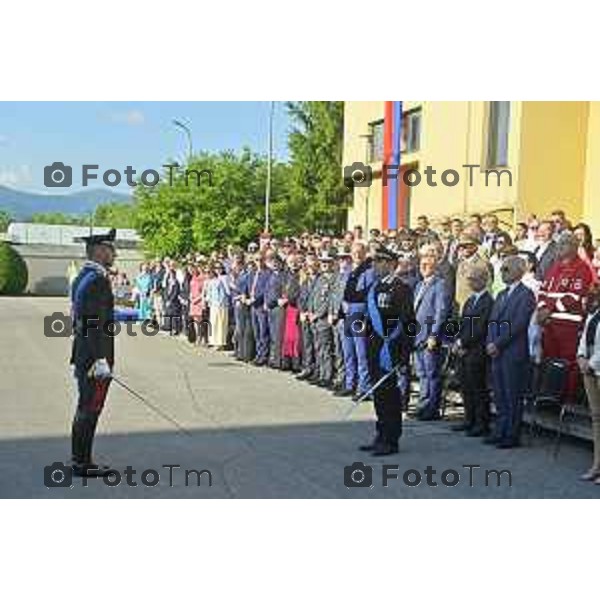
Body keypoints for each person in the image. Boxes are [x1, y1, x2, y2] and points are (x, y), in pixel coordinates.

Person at [358, 245, 415, 456]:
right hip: (375, 348)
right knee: (379, 395)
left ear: (391, 264)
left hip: (390, 349)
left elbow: (409, 323)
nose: (375, 265)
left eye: (380, 261)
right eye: (374, 261)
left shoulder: (401, 288)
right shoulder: (375, 288)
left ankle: (391, 440)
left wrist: (403, 354)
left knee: (390, 396)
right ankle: (380, 434)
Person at [69, 228, 117, 477]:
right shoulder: (96, 279)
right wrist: (100, 359)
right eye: (110, 249)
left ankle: (80, 459)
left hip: (83, 353)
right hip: (92, 358)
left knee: (85, 407)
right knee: (90, 408)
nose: (114, 254)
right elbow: (91, 323)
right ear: (99, 251)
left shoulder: (83, 276)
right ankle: (82, 463)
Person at [486, 256, 536, 448]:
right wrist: (490, 342)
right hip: (497, 351)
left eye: (506, 269)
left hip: (512, 352)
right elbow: (492, 321)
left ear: (518, 270)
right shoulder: (500, 295)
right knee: (499, 393)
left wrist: (497, 343)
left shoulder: (526, 294)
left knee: (512, 394)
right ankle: (500, 429)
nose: (502, 272)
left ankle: (512, 434)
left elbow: (518, 324)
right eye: (502, 269)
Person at [537, 233, 595, 400]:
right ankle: (549, 395)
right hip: (549, 323)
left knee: (567, 361)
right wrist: (542, 308)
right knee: (549, 358)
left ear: (574, 246)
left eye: (564, 244)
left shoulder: (582, 268)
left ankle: (565, 397)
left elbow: (575, 295)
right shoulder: (554, 267)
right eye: (559, 244)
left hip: (568, 324)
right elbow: (543, 291)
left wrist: (550, 310)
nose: (560, 247)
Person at [451, 264, 494, 436]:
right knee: (466, 387)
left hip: (477, 351)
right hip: (464, 350)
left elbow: (480, 328)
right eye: (469, 279)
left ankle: (481, 423)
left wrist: (463, 343)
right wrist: (457, 341)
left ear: (484, 280)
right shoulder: (469, 301)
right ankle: (469, 419)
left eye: (473, 279)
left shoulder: (488, 302)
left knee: (478, 388)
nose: (470, 282)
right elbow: (463, 324)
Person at [413, 244, 452, 420]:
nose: (424, 267)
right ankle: (422, 404)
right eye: (422, 264)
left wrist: (434, 335)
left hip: (430, 336)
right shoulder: (419, 284)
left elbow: (440, 312)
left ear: (435, 266)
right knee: (421, 372)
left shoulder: (440, 284)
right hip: (417, 335)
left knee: (432, 373)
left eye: (428, 265)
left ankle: (431, 408)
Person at [341, 242, 375, 399]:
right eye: (354, 252)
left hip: (360, 314)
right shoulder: (348, 270)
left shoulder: (369, 271)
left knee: (361, 352)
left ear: (365, 253)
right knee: (348, 351)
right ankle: (350, 383)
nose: (357, 255)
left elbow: (368, 294)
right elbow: (343, 292)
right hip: (347, 312)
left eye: (360, 252)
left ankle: (364, 387)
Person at [577, 283, 600, 484]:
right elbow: (585, 339)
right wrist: (581, 356)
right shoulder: (593, 316)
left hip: (596, 368)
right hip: (590, 371)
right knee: (596, 419)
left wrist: (590, 364)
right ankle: (597, 464)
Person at [308, 253, 336, 388]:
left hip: (323, 319)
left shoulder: (333, 279)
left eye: (327, 262)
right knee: (318, 348)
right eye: (323, 262)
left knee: (326, 349)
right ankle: (320, 373)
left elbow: (329, 301)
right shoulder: (320, 279)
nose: (325, 264)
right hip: (314, 319)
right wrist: (310, 311)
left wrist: (317, 314)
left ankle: (327, 376)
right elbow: (312, 297)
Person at [454, 234, 492, 310]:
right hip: (460, 306)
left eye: (467, 246)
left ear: (475, 247)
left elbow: (487, 287)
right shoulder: (461, 263)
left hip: (475, 307)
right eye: (461, 246)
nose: (464, 248)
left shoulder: (481, 264)